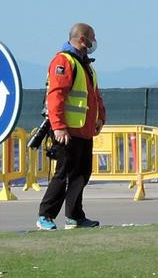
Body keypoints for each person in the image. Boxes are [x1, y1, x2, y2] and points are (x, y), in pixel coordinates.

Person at [35, 24, 105, 230]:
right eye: (92, 37)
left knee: (82, 173)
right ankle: (45, 215)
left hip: (84, 130)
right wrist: (58, 126)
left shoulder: (86, 65)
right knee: (64, 174)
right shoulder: (64, 61)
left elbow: (95, 96)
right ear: (83, 39)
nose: (94, 42)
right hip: (67, 132)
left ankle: (75, 216)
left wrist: (101, 117)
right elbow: (55, 95)